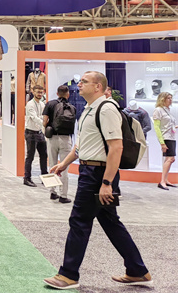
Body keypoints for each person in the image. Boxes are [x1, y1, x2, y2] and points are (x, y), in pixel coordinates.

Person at [44, 71, 152, 290]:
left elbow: (116, 147)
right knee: (110, 222)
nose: (79, 84)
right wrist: (64, 164)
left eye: (84, 82)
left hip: (98, 174)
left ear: (98, 87)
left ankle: (68, 275)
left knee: (79, 221)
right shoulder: (89, 109)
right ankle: (138, 271)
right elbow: (81, 145)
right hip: (91, 171)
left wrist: (107, 183)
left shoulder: (107, 109)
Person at [42, 85, 75, 203]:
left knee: (52, 165)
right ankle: (63, 195)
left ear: (57, 93)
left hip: (52, 138)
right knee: (64, 167)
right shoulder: (71, 107)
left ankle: (52, 192)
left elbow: (44, 121)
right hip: (66, 139)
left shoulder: (50, 104)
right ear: (68, 94)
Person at [23, 85, 48, 187]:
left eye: (41, 92)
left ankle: (44, 177)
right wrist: (44, 123)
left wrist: (43, 122)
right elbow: (34, 118)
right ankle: (27, 178)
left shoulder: (42, 104)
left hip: (39, 132)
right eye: (38, 92)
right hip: (31, 133)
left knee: (44, 155)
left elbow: (42, 116)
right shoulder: (30, 104)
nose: (40, 94)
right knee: (30, 157)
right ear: (33, 92)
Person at [153, 92, 176, 190]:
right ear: (162, 99)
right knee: (169, 159)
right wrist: (162, 143)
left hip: (171, 136)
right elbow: (157, 127)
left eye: (171, 98)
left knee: (170, 159)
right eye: (168, 98)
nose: (170, 100)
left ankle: (165, 180)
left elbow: (167, 125)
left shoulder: (167, 110)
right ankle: (162, 181)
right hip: (166, 137)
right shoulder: (158, 110)